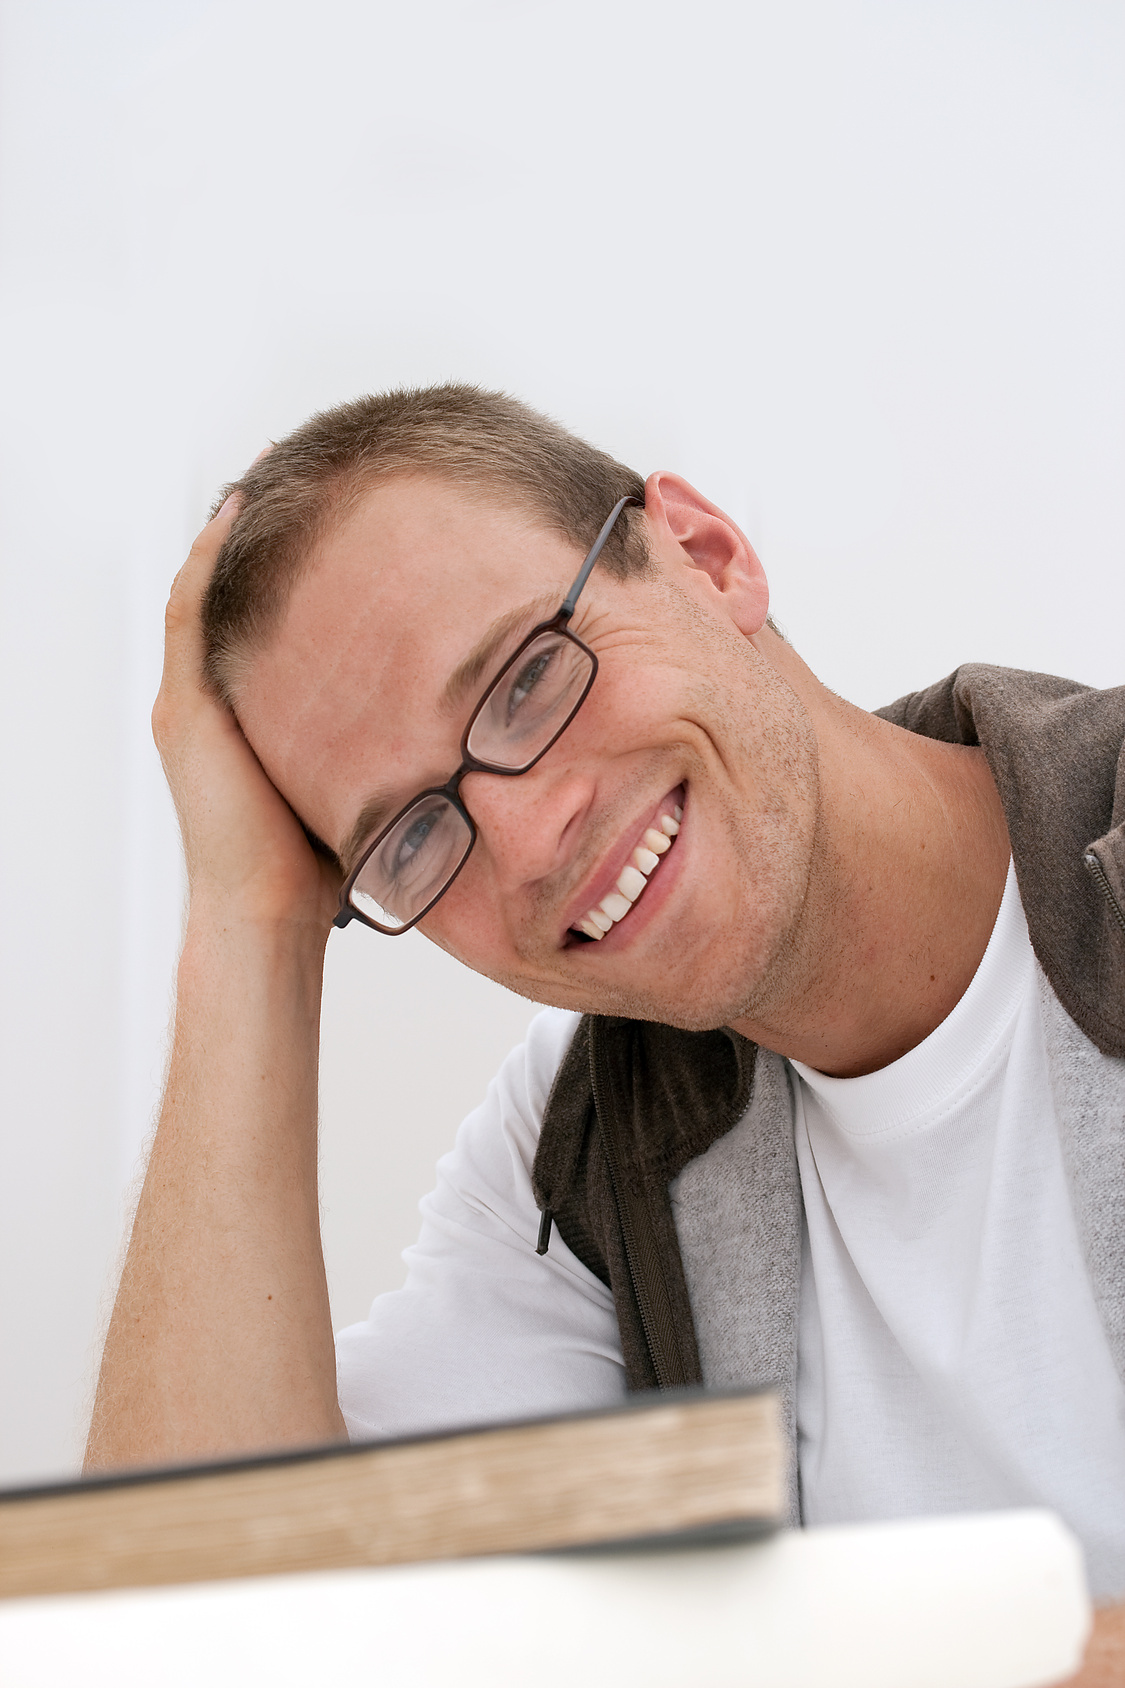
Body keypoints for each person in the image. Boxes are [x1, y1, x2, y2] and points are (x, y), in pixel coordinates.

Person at [87, 386, 1125, 1627]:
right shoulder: (597, 1151)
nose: (526, 841)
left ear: (707, 556)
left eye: (528, 679)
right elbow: (195, 1634)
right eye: (415, 836)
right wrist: (248, 922)